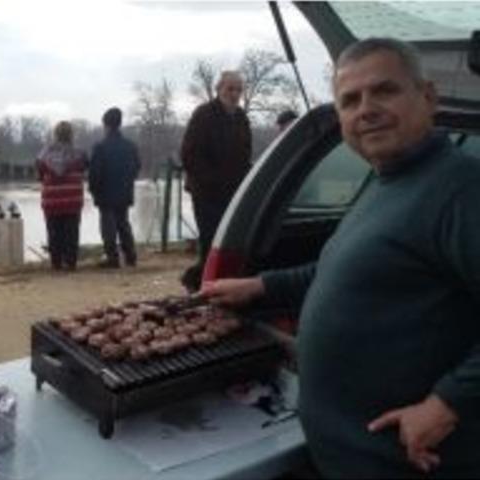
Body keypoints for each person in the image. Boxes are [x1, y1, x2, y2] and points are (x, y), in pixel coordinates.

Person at [199, 38, 480, 477]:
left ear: (427, 97)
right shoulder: (387, 182)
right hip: (340, 454)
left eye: (384, 90)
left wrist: (446, 403)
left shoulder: (463, 190)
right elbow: (341, 271)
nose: (365, 109)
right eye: (350, 100)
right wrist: (260, 286)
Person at [180, 71, 252, 290]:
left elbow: (245, 153)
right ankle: (201, 283)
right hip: (206, 192)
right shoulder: (203, 114)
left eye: (238, 89)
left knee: (228, 240)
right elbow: (189, 153)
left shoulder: (241, 117)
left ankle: (201, 280)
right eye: (230, 89)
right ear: (219, 89)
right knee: (210, 238)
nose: (234, 94)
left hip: (232, 191)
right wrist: (211, 180)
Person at [88, 107, 141, 268]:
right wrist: (127, 181)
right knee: (123, 223)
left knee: (108, 227)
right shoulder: (130, 146)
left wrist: (93, 190)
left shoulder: (100, 147)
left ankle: (112, 257)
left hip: (105, 193)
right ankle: (130, 255)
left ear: (106, 125)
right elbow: (137, 167)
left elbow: (94, 173)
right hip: (124, 191)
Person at [35, 121, 87, 271]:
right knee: (72, 231)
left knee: (53, 231)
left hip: (52, 199)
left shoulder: (44, 154)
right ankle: (71, 262)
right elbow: (84, 169)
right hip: (73, 198)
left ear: (55, 134)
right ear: (71, 134)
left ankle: (56, 263)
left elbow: (39, 175)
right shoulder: (80, 153)